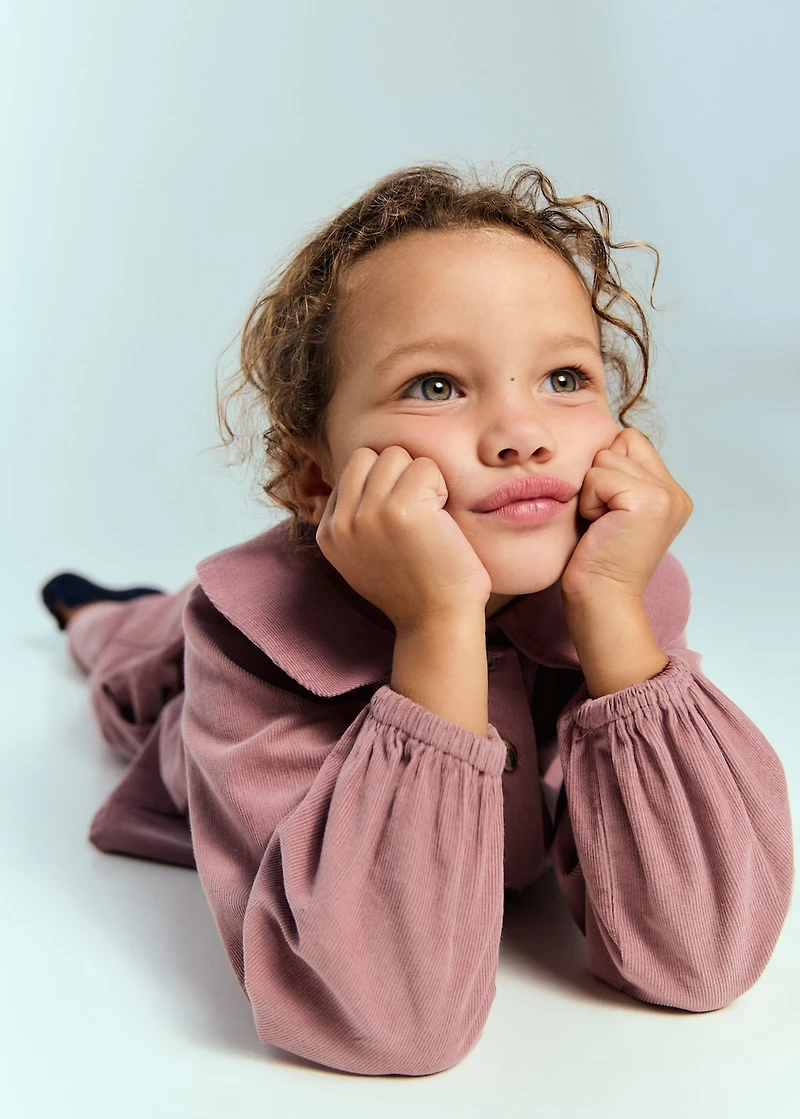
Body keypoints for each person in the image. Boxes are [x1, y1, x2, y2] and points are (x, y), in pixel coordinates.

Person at [40, 163, 794, 1078]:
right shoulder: (249, 641)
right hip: (190, 683)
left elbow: (705, 956)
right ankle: (104, 613)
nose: (522, 432)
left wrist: (611, 615)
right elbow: (388, 1019)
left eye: (564, 376)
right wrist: (438, 621)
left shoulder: (617, 588)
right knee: (137, 661)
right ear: (317, 479)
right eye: (437, 386)